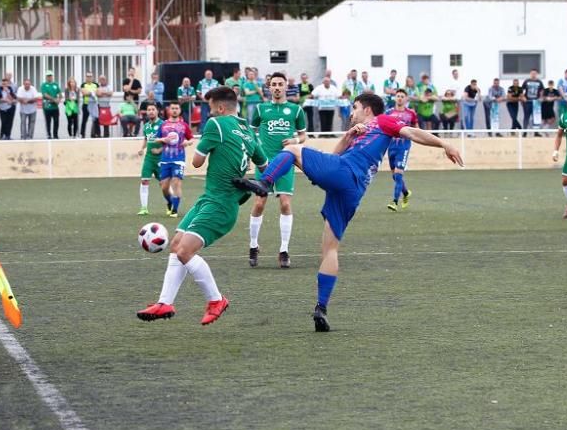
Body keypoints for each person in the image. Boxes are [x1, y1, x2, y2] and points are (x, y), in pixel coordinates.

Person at [235, 93, 462, 332]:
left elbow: (413, 132)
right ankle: (321, 308)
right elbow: (333, 156)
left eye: (354, 108)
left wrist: (444, 143)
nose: (351, 113)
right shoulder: (361, 132)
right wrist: (349, 135)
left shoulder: (383, 120)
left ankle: (266, 183)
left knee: (292, 149)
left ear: (367, 109)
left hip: (345, 173)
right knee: (329, 249)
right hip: (352, 190)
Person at [136, 87, 267, 326]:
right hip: (210, 199)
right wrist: (253, 182)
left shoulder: (216, 125)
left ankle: (216, 300)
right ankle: (165, 302)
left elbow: (196, 162)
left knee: (185, 251)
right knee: (176, 245)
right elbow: (265, 164)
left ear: (219, 107)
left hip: (220, 204)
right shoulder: (248, 131)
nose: (207, 113)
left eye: (209, 108)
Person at [247, 72, 307, 268]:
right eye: (274, 84)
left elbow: (303, 135)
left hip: (286, 161)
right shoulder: (261, 108)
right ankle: (253, 245)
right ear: (269, 87)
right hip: (264, 163)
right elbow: (251, 132)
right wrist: (254, 151)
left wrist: (295, 141)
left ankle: (284, 250)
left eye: (281, 84)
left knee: (285, 204)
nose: (277, 87)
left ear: (286, 87)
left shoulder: (296, 110)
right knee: (259, 203)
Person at [158, 102, 193, 218]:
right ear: (169, 110)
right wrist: (164, 139)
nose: (174, 110)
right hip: (165, 159)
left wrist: (187, 142)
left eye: (176, 108)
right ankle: (169, 202)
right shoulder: (163, 125)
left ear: (179, 110)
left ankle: (175, 210)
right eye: (172, 108)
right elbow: (155, 139)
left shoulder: (184, 125)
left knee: (176, 183)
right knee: (164, 187)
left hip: (179, 159)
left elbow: (191, 138)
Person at [385, 89, 418, 211]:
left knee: (398, 175)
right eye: (397, 96)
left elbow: (416, 128)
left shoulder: (411, 114)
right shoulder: (388, 113)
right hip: (391, 146)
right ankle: (405, 193)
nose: (399, 98)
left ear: (406, 99)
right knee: (395, 176)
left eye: (402, 96)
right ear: (395, 98)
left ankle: (394, 202)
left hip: (403, 146)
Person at [136, 102, 165, 215]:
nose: (151, 111)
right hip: (149, 158)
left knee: (164, 184)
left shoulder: (163, 125)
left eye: (153, 109)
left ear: (157, 111)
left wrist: (159, 150)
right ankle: (144, 208)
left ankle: (171, 206)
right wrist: (142, 148)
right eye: (149, 110)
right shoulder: (146, 125)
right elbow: (146, 138)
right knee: (144, 180)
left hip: (161, 159)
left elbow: (169, 141)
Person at [40, 71, 62, 139]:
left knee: (56, 121)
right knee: (48, 121)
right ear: (46, 77)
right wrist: (54, 99)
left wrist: (58, 99)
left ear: (52, 76)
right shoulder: (44, 85)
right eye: (48, 76)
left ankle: (55, 134)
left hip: (55, 107)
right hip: (47, 106)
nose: (49, 77)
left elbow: (60, 94)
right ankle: (49, 134)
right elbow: (45, 95)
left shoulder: (55, 84)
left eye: (50, 76)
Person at [80, 72, 99, 138]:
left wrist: (90, 92)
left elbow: (98, 93)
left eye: (90, 76)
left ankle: (95, 134)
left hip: (94, 105)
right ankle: (82, 134)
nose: (89, 78)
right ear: (86, 77)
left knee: (96, 119)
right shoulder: (83, 84)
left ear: (92, 77)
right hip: (86, 104)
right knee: (84, 120)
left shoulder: (96, 84)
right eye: (87, 76)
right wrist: (92, 92)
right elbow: (84, 93)